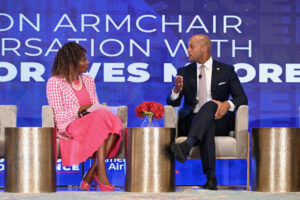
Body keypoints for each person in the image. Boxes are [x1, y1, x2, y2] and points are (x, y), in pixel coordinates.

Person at [166, 34, 248, 190]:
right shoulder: (184, 71)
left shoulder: (226, 70)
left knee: (211, 106)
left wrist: (227, 104)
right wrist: (176, 90)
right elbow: (172, 102)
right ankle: (211, 178)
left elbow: (242, 98)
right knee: (206, 123)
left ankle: (187, 145)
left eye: (191, 46)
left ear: (204, 49)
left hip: (220, 120)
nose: (188, 50)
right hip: (191, 121)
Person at [46, 42, 122, 191]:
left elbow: (96, 106)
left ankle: (92, 172)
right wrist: (80, 109)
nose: (87, 62)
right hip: (70, 125)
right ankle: (99, 174)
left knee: (115, 121)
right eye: (83, 59)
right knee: (102, 121)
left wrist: (94, 110)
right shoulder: (54, 82)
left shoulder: (88, 80)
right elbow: (59, 116)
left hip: (93, 122)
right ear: (71, 62)